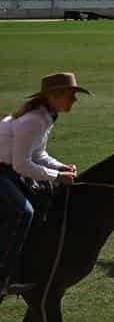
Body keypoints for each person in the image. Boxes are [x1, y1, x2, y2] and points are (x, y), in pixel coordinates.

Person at [0, 73, 88, 295]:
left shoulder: (45, 116)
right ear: (55, 95)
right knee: (24, 212)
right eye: (71, 95)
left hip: (8, 169)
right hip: (5, 170)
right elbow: (22, 165)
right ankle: (3, 278)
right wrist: (57, 177)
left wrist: (60, 167)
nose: (74, 100)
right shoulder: (33, 120)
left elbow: (38, 153)